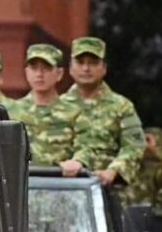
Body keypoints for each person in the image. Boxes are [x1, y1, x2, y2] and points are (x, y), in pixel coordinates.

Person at [62, 36, 145, 189]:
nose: (86, 69)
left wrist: (114, 170)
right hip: (66, 191)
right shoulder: (58, 106)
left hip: (108, 190)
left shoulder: (122, 106)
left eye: (93, 63)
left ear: (104, 68)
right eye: (80, 63)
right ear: (70, 68)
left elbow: (135, 146)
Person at [10, 44, 91, 176]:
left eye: (46, 68)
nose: (39, 74)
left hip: (58, 186)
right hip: (19, 187)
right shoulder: (11, 112)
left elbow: (86, 146)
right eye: (34, 68)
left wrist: (77, 161)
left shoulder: (74, 113)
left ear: (59, 74)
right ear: (26, 72)